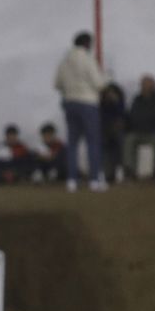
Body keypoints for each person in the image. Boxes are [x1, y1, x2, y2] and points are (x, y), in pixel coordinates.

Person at [53, 31, 109, 192]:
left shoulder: (64, 61)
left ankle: (72, 180)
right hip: (88, 103)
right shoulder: (88, 59)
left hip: (70, 102)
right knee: (93, 142)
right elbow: (99, 84)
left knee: (72, 143)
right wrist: (107, 77)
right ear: (87, 44)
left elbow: (56, 83)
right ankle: (95, 180)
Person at [124, 75, 155, 181]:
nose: (145, 87)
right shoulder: (136, 99)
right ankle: (130, 171)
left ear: (154, 86)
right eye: (143, 85)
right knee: (129, 139)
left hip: (153, 133)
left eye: (148, 85)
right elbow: (131, 116)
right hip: (137, 132)